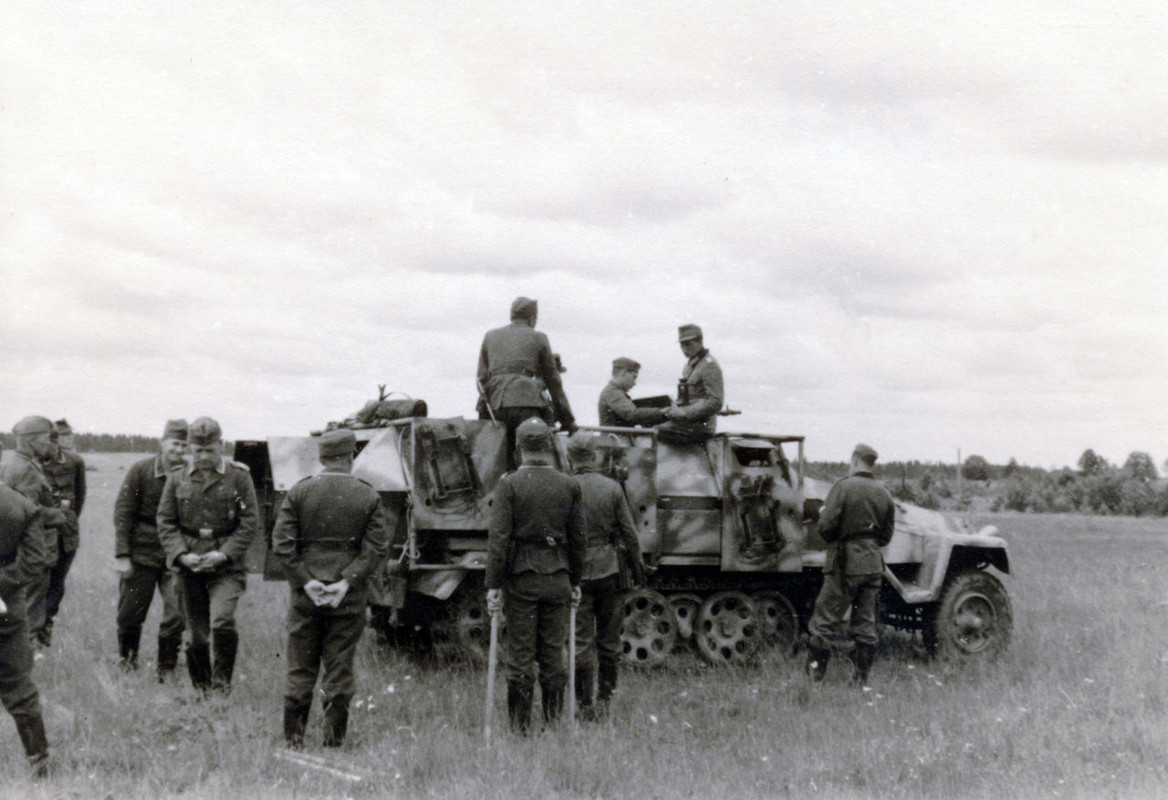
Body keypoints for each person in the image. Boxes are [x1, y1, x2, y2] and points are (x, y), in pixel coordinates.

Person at [272, 429, 390, 749]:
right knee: (339, 669)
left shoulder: (300, 492)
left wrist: (308, 581)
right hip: (348, 598)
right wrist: (346, 581)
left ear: (322, 458)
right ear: (351, 456)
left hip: (305, 596)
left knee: (300, 669)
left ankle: (293, 742)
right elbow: (376, 548)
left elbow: (282, 545)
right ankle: (333, 743)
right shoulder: (368, 495)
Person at [485, 418, 585, 734]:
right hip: (558, 577)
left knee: (520, 654)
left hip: (522, 578)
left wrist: (493, 585)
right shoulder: (569, 484)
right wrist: (576, 581)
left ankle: (520, 730)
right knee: (554, 653)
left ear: (520, 448)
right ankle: (554, 726)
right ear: (548, 446)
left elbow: (499, 538)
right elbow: (579, 539)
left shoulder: (509, 484)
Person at [157, 416, 258, 696]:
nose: (203, 456)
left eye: (209, 450)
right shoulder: (177, 478)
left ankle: (221, 685)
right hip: (189, 565)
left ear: (220, 447)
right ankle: (202, 690)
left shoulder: (239, 476)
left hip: (226, 566)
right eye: (197, 450)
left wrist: (224, 555)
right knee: (196, 635)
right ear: (190, 448)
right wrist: (180, 555)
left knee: (222, 620)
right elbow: (165, 521)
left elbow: (249, 522)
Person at [566, 431, 644, 720]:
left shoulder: (565, 487)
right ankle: (604, 701)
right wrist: (637, 570)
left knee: (581, 641)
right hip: (610, 570)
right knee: (609, 642)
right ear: (595, 456)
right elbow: (630, 533)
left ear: (569, 457)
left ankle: (583, 705)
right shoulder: (611, 488)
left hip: (575, 574)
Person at [805, 444, 895, 686]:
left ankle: (815, 679)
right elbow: (886, 536)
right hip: (873, 565)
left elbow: (825, 526)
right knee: (866, 626)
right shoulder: (884, 492)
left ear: (855, 460)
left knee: (822, 622)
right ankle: (860, 681)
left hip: (844, 565)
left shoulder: (843, 487)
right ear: (871, 463)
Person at [112, 419, 189, 677]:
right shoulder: (141, 470)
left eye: (183, 445)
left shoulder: (189, 474)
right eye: (175, 444)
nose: (179, 450)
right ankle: (127, 664)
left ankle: (166, 669)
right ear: (163, 442)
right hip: (141, 554)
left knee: (177, 613)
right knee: (130, 614)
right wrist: (122, 554)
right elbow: (123, 513)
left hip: (176, 555)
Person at [476, 296, 577, 468]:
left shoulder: (490, 336)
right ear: (532, 318)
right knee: (534, 454)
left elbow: (481, 379)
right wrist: (568, 421)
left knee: (499, 460)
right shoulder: (539, 338)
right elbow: (554, 383)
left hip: (494, 406)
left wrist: (488, 405)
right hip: (526, 402)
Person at [0, 463, 52, 777]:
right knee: (19, 686)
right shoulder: (20, 503)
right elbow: (36, 561)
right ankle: (39, 761)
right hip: (8, 606)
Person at [0, 417, 67, 652]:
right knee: (32, 605)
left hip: (21, 549)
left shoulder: (19, 464)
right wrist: (58, 515)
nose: (50, 444)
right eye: (47, 439)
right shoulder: (25, 469)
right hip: (33, 549)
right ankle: (28, 654)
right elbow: (27, 512)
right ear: (31, 441)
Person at [35, 419, 86, 648]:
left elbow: (79, 498)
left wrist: (68, 521)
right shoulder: (33, 463)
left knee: (57, 583)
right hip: (39, 535)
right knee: (38, 583)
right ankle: (32, 631)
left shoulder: (75, 462)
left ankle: (44, 631)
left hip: (66, 535)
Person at [659, 324, 724, 440]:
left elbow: (716, 401)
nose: (684, 349)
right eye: (681, 345)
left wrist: (684, 412)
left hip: (701, 426)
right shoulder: (689, 366)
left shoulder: (710, 366)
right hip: (687, 423)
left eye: (688, 344)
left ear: (700, 342)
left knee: (653, 432)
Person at [597, 357, 668, 428]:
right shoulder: (612, 392)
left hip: (618, 436)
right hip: (614, 437)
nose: (634, 383)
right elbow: (632, 414)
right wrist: (662, 412)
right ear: (624, 373)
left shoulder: (615, 391)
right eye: (634, 377)